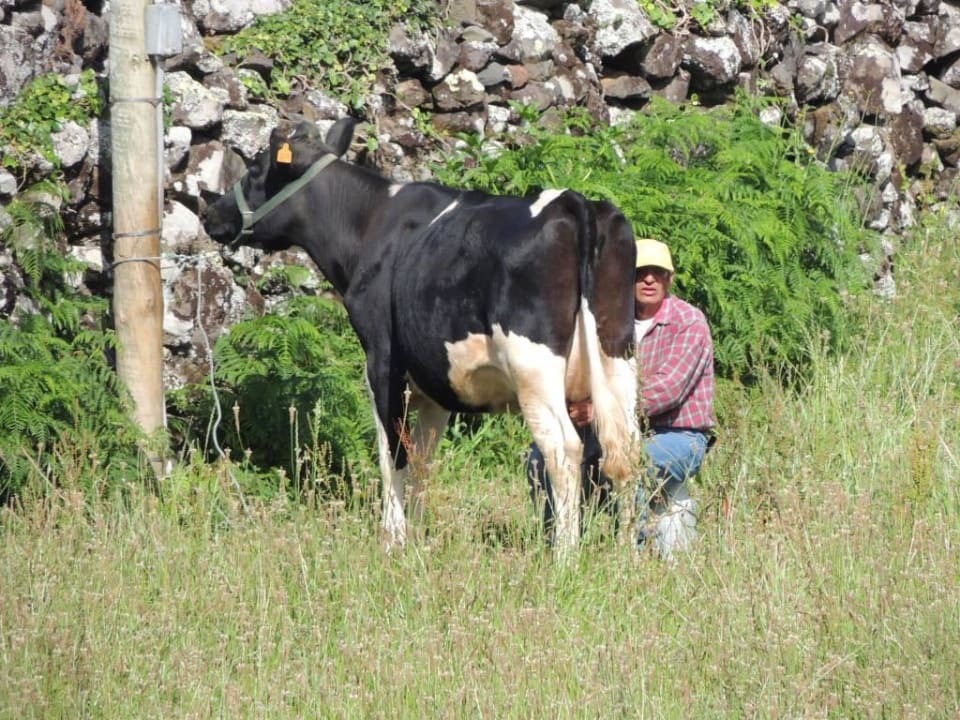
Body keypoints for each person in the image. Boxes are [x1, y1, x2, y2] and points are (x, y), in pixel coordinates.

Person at [526, 238, 716, 560]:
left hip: (676, 434)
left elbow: (668, 390)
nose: (649, 280)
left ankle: (633, 560)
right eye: (640, 272)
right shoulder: (605, 322)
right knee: (544, 455)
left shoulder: (689, 322)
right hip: (613, 428)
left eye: (657, 272)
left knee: (636, 463)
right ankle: (562, 549)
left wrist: (599, 409)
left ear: (669, 278)